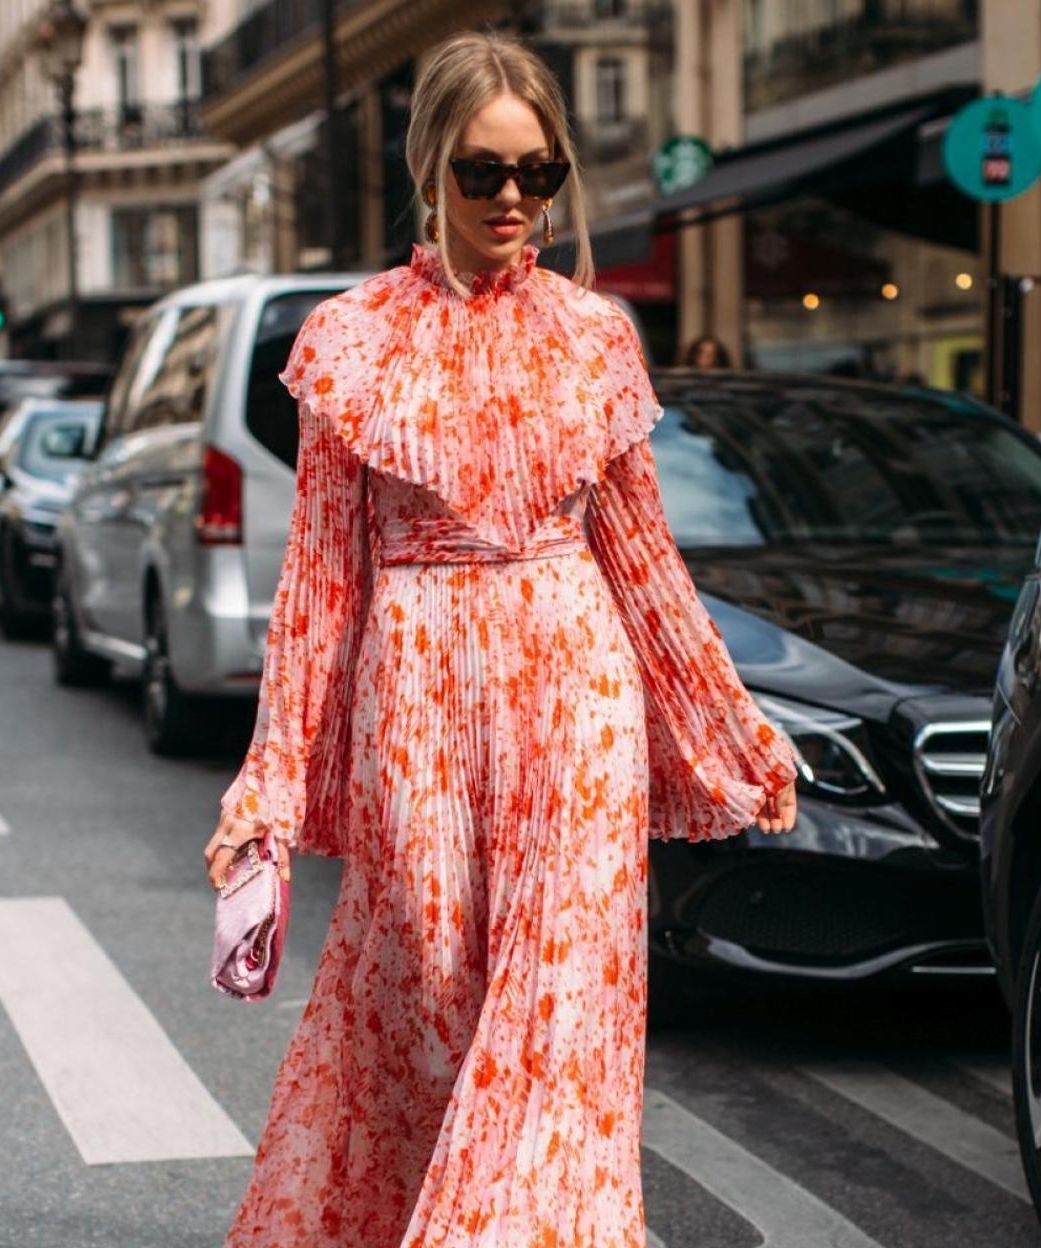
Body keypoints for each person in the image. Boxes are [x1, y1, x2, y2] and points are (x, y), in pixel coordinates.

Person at [203, 29, 799, 1248]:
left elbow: (642, 561)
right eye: (485, 172)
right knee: (425, 1018)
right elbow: (319, 587)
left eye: (540, 173)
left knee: (558, 1029)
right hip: (416, 707)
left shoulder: (597, 338)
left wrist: (730, 722)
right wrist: (268, 782)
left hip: (579, 704)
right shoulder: (350, 339)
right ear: (431, 166)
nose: (515, 199)